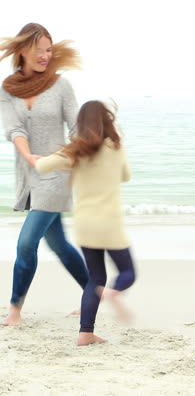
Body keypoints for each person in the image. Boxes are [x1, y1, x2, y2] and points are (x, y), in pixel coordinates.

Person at [0, 23, 89, 326]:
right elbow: (14, 129)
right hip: (29, 175)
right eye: (39, 50)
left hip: (58, 172)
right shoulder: (8, 88)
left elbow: (77, 126)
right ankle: (94, 292)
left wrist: (73, 158)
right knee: (59, 244)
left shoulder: (60, 85)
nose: (45, 56)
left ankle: (14, 310)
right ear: (23, 50)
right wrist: (28, 157)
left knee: (26, 243)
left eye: (49, 50)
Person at [35, 100, 136, 345]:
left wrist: (39, 156)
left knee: (95, 278)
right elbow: (126, 176)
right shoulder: (115, 148)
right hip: (109, 224)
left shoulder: (75, 151)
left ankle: (85, 333)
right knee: (127, 272)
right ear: (107, 121)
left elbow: (41, 166)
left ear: (81, 123)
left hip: (85, 224)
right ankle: (112, 293)